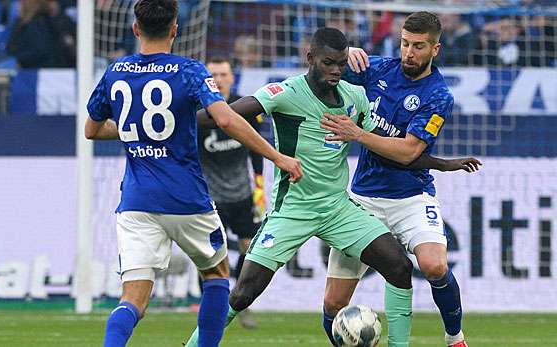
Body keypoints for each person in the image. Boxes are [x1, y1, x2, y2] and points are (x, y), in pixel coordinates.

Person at [187, 27, 422, 347]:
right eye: (329, 63)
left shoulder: (355, 97)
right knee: (243, 294)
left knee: (399, 266)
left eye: (341, 63)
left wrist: (437, 162)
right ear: (310, 58)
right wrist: (175, 121)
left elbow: (384, 144)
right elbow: (222, 116)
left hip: (338, 208)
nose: (337, 70)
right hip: (293, 209)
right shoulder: (284, 93)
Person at [84, 1, 302, 346]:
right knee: (217, 274)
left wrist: (135, 132)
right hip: (188, 200)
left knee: (134, 300)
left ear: (135, 28)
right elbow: (227, 119)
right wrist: (277, 157)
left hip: (137, 203)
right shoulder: (188, 70)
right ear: (175, 29)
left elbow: (92, 130)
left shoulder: (115, 71)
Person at [320, 11, 476, 347]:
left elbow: (408, 152)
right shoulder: (378, 69)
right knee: (334, 305)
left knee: (434, 265)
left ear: (435, 49)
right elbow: (324, 72)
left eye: (418, 46)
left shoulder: (438, 95)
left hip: (411, 197)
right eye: (405, 43)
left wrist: (357, 134)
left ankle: (455, 337)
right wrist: (345, 56)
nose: (409, 52)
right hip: (363, 200)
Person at [197, 57, 263, 328]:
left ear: (232, 78)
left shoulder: (245, 108)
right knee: (212, 254)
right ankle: (210, 308)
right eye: (214, 74)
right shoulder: (200, 113)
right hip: (211, 197)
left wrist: (259, 187)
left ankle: (241, 301)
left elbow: (257, 148)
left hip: (243, 194)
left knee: (250, 249)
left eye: (224, 74)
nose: (220, 79)